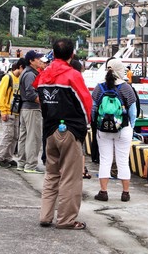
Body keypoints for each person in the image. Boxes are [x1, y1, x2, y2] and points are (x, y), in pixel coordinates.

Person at [33, 38, 92, 230]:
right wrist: (85, 126)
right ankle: (66, 219)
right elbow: (85, 104)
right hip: (70, 130)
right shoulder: (72, 75)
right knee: (70, 176)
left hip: (49, 130)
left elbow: (41, 102)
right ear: (72, 54)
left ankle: (45, 215)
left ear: (53, 54)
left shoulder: (42, 75)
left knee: (51, 174)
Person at [92, 59, 137, 202]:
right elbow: (133, 112)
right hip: (123, 128)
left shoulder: (100, 87)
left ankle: (103, 192)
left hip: (103, 129)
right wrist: (131, 126)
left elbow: (93, 109)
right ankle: (125, 193)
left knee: (105, 160)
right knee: (123, 161)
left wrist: (96, 123)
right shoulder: (126, 88)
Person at [0, 59, 26, 168]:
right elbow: (1, 95)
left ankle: (8, 157)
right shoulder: (8, 78)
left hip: (16, 111)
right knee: (8, 135)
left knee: (15, 136)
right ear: (20, 67)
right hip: (7, 111)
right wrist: (3, 110)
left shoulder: (19, 79)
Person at [17, 50, 45, 173]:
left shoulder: (27, 72)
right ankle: (31, 165)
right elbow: (30, 93)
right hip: (32, 108)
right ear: (31, 61)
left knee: (24, 137)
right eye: (37, 59)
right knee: (33, 137)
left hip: (26, 109)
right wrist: (42, 102)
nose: (40, 61)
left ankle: (22, 163)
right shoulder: (30, 74)